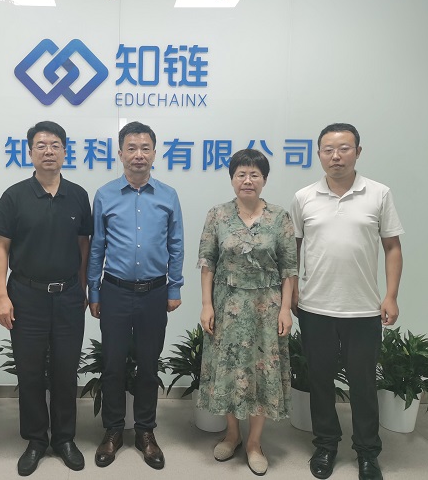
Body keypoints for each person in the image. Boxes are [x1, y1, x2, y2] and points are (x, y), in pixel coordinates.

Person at [290, 123, 404, 480]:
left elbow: (392, 247)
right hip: (315, 308)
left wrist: (390, 295)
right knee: (320, 381)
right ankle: (326, 446)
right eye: (328, 150)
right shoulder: (304, 197)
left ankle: (368, 453)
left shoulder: (379, 194)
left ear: (358, 151)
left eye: (344, 148)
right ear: (319, 154)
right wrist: (292, 290)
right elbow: (293, 249)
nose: (336, 156)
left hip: (363, 309)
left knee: (363, 384)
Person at [0, 121, 92, 477]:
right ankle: (35, 439)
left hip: (68, 296)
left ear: (65, 151)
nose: (49, 151)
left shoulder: (77, 195)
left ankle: (64, 438)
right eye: (41, 145)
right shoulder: (15, 196)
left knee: (65, 369)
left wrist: (83, 288)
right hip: (26, 296)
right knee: (30, 371)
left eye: (55, 145)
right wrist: (1, 294)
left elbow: (83, 244)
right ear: (30, 152)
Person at [87, 121, 184, 470]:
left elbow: (176, 243)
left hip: (154, 293)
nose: (138, 155)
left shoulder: (168, 195)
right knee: (113, 365)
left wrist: (174, 286)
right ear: (120, 153)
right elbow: (97, 246)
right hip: (114, 291)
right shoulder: (105, 195)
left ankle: (145, 431)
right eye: (131, 148)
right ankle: (113, 430)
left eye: (145, 148)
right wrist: (93, 290)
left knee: (148, 364)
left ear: (155, 154)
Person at [197, 148, 297, 476]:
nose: (247, 180)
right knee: (228, 368)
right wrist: (207, 304)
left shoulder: (279, 217)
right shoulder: (217, 215)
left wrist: (286, 309)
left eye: (254, 174)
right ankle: (232, 434)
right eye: (241, 174)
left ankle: (254, 442)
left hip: (267, 308)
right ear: (232, 179)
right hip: (227, 305)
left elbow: (289, 268)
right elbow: (207, 262)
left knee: (261, 370)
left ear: (264, 179)